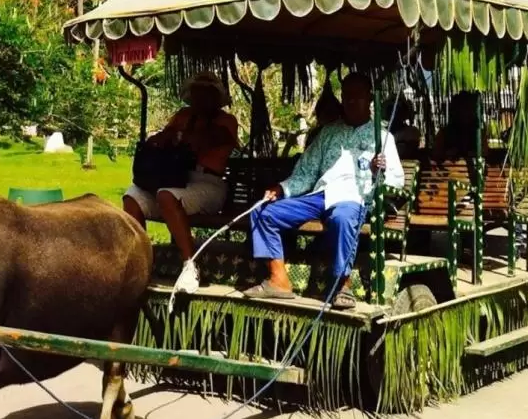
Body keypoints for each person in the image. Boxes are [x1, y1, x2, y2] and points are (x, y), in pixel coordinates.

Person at [245, 72, 404, 309]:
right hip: (321, 195)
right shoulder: (329, 132)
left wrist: (375, 173)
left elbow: (396, 181)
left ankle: (343, 283)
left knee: (342, 218)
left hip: (354, 197)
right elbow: (307, 173)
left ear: (370, 98)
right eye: (346, 96)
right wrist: (282, 188)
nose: (350, 101)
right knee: (262, 211)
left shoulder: (383, 137)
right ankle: (279, 280)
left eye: (357, 96)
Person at [123, 70, 239, 295]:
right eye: (196, 93)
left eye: (206, 94)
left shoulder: (226, 121)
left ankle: (190, 265)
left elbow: (204, 142)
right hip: (174, 180)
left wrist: (181, 135)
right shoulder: (182, 116)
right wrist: (165, 138)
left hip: (208, 185)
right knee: (132, 196)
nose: (199, 99)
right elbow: (160, 139)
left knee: (166, 195)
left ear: (215, 97)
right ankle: (141, 259)